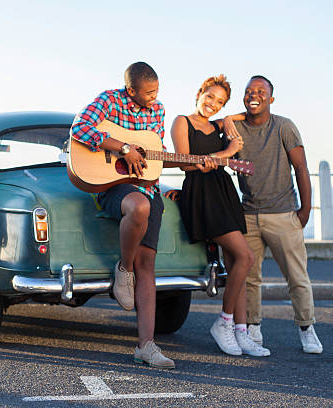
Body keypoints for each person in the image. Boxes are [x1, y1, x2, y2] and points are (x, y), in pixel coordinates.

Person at [71, 62, 184, 369]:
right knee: (139, 206)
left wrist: (193, 162)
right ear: (130, 90)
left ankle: (146, 346)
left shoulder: (157, 110)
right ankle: (124, 267)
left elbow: (153, 156)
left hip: (147, 187)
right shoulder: (109, 100)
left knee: (149, 264)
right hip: (112, 187)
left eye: (157, 91)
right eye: (148, 92)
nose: (154, 97)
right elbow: (79, 129)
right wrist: (122, 148)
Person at [170, 75, 270, 357]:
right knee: (246, 256)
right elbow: (183, 163)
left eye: (220, 102)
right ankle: (224, 322)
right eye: (210, 97)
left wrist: (227, 120)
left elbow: (247, 112)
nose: (213, 104)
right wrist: (227, 151)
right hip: (202, 194)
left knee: (235, 261)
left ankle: (241, 331)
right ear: (199, 93)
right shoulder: (182, 121)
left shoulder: (217, 123)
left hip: (223, 191)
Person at [234, 75, 322, 354]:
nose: (253, 95)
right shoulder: (234, 128)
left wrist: (305, 210)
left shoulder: (284, 126)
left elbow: (301, 168)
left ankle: (307, 328)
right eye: (249, 91)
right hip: (248, 213)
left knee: (297, 277)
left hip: (284, 213)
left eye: (260, 91)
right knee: (250, 276)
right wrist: (229, 119)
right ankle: (253, 326)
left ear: (271, 99)